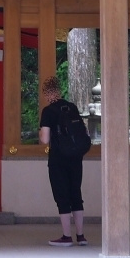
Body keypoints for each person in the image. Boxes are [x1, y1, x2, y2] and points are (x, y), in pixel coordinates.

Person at [38, 76, 88, 247]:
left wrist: (41, 133)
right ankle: (81, 236)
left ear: (47, 94)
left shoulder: (48, 111)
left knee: (62, 195)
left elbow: (45, 139)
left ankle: (66, 236)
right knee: (76, 193)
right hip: (76, 157)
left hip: (58, 158)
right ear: (59, 91)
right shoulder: (71, 107)